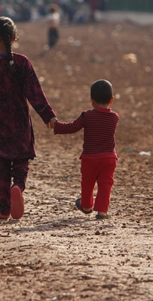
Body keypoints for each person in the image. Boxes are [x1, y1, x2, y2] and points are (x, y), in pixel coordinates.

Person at [0, 17, 57, 220]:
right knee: (21, 160)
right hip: (20, 121)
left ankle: (4, 208)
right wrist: (48, 116)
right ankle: (17, 186)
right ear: (14, 37)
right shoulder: (22, 62)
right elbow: (35, 92)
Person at [51, 80, 119, 220]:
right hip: (108, 158)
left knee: (88, 182)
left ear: (92, 101)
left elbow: (71, 127)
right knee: (106, 183)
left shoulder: (86, 116)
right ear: (111, 100)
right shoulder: (114, 118)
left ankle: (86, 206)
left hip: (90, 158)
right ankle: (102, 212)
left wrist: (56, 126)